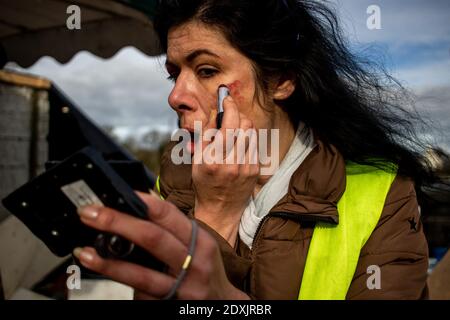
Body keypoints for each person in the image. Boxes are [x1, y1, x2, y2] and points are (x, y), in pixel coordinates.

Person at [73, 0, 439, 299]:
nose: (175, 97)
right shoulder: (173, 180)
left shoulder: (383, 191)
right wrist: (215, 215)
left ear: (281, 80)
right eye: (174, 74)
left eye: (205, 70)